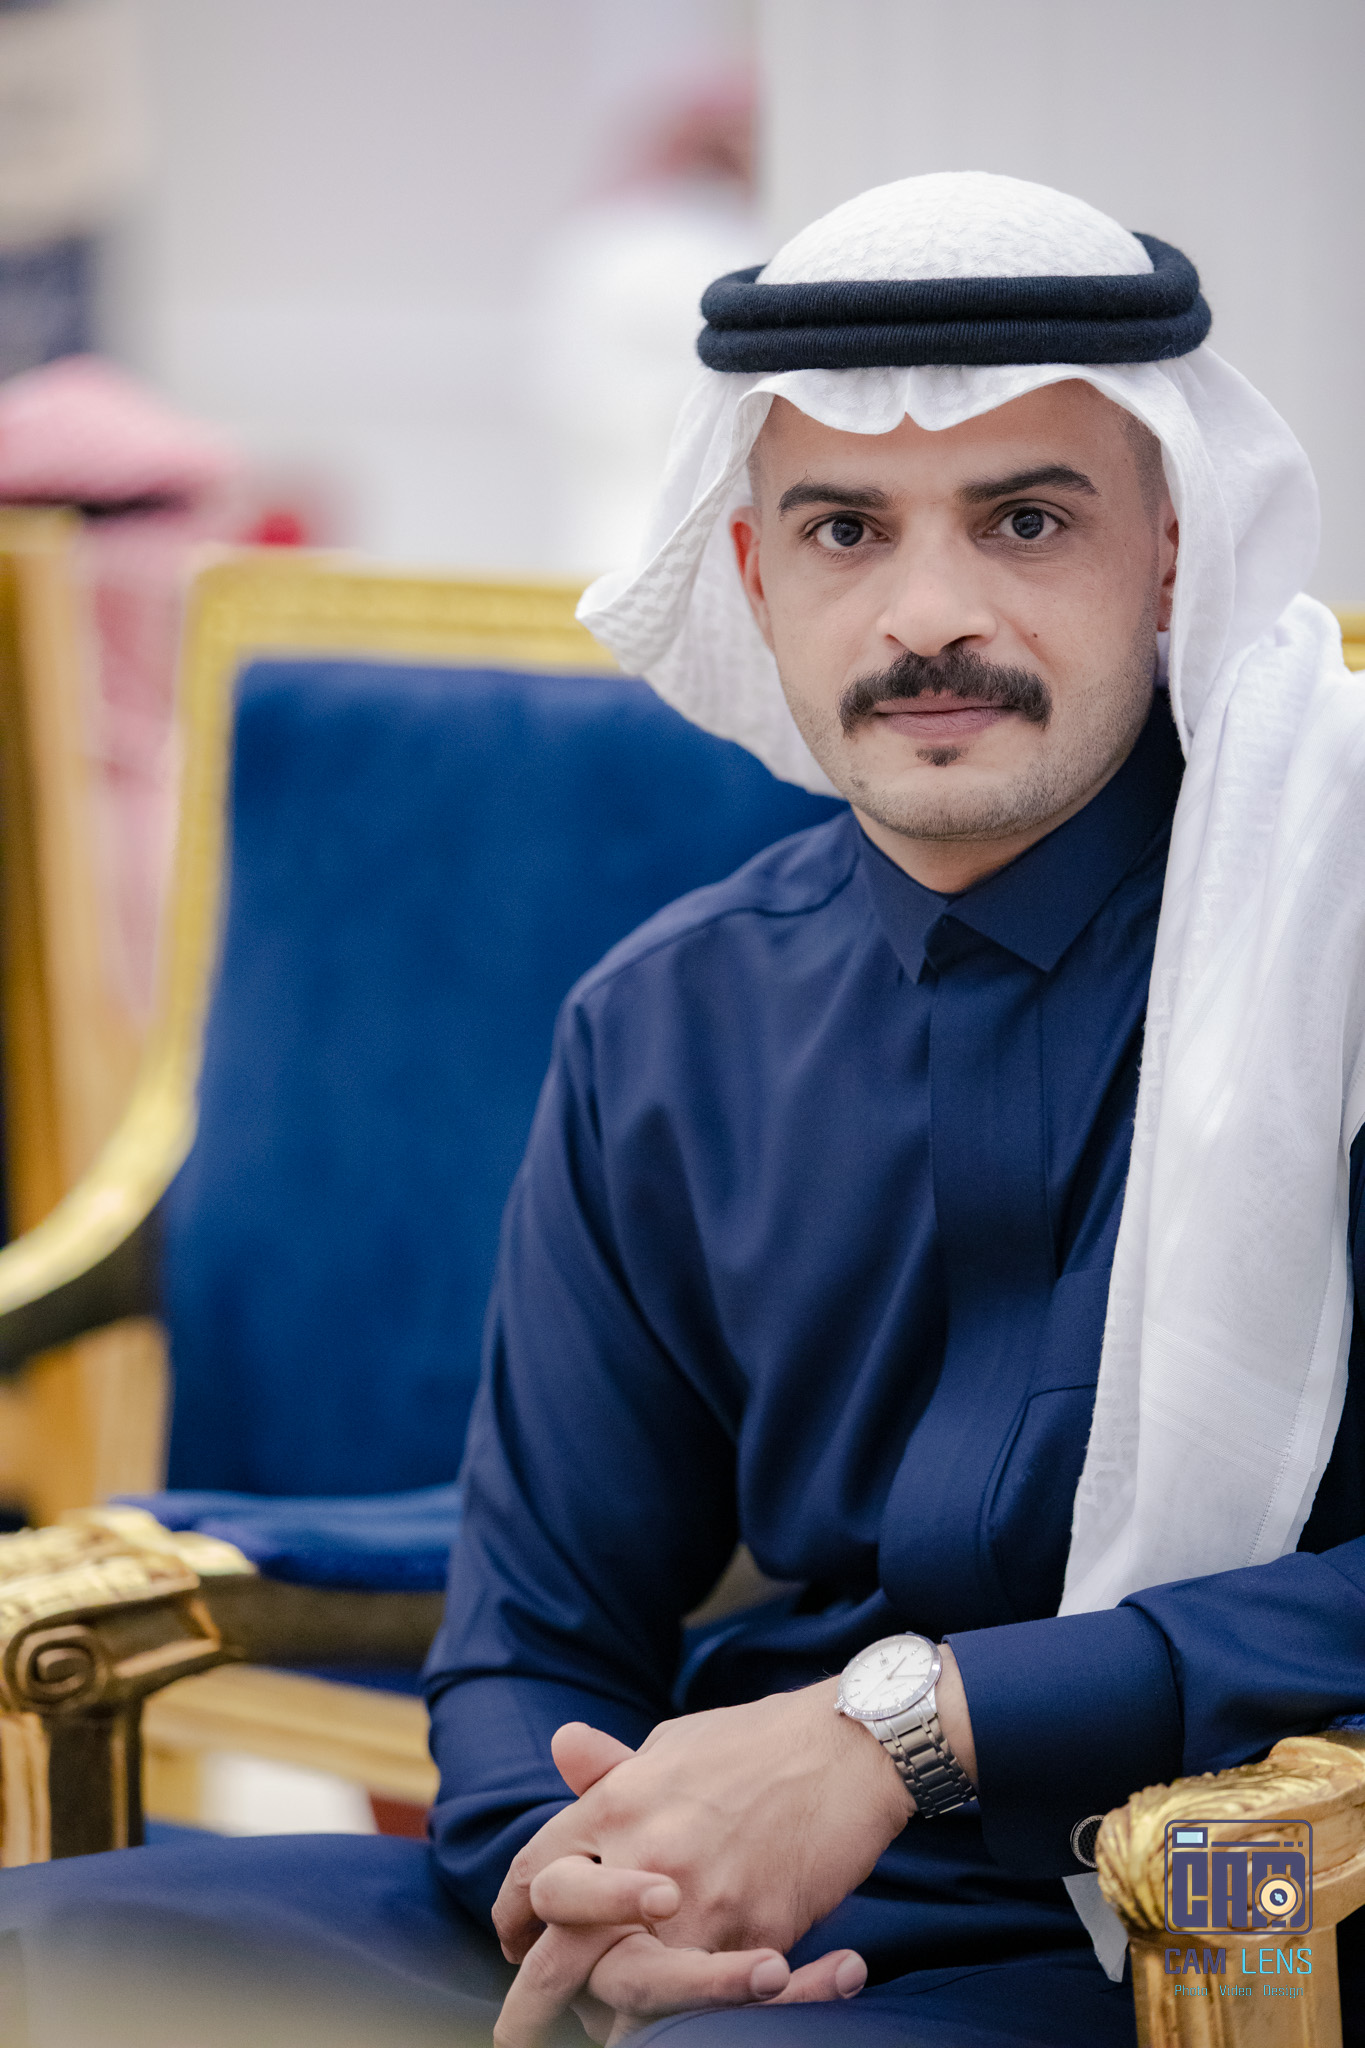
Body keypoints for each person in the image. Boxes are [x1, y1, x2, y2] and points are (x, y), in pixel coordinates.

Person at [2, 170, 1363, 2048]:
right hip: (724, 1903)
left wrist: (909, 1732)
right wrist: (569, 1882)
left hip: (1209, 1914)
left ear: (1172, 552)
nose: (928, 614)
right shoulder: (668, 1020)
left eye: (1025, 520)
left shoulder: (1331, 939)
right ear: (751, 574)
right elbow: (534, 1632)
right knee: (50, 1959)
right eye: (842, 529)